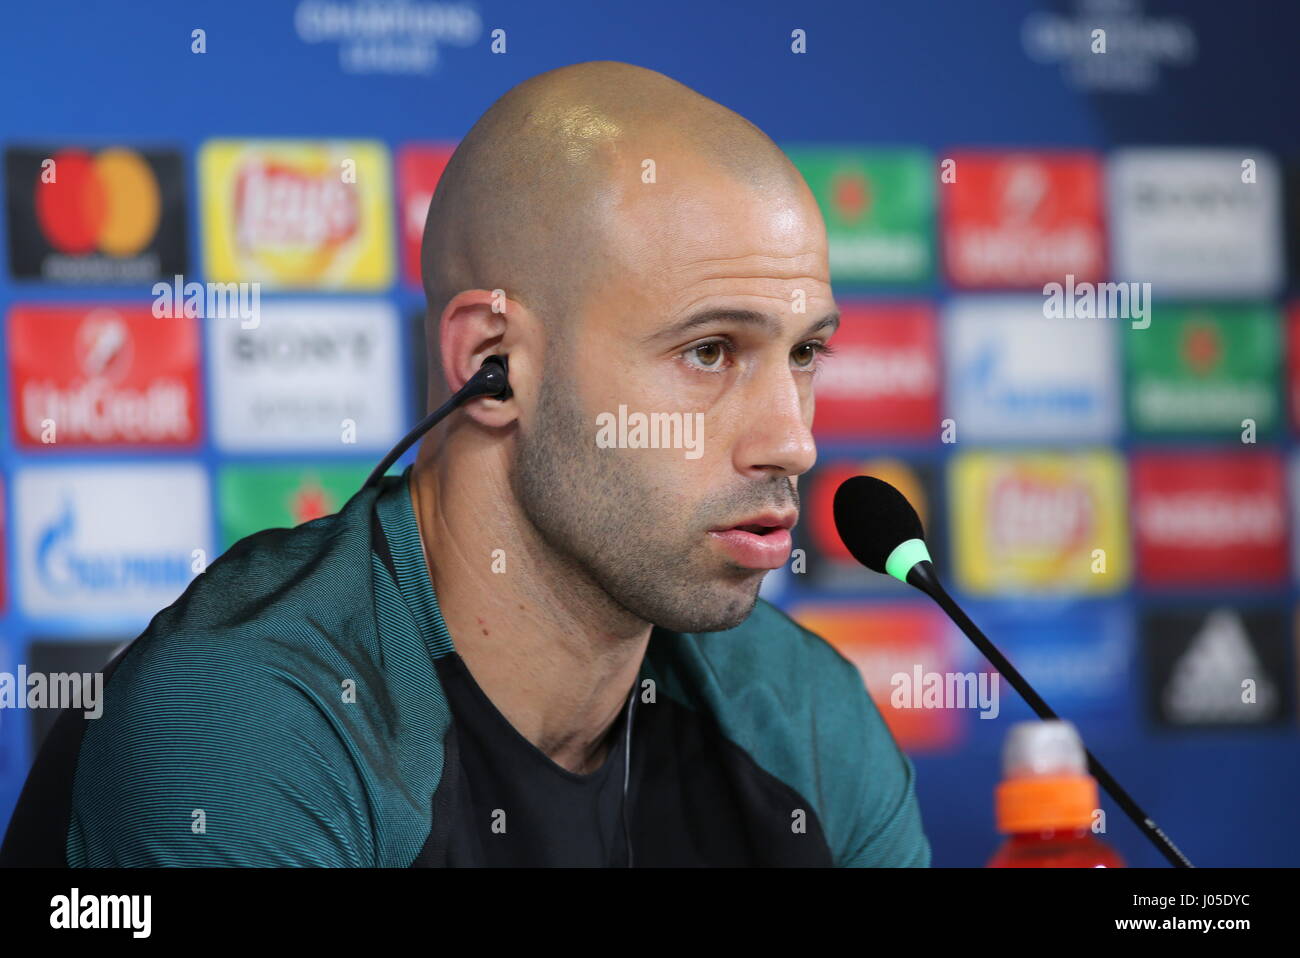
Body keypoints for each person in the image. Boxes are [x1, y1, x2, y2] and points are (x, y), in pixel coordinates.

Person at [0, 60, 930, 867]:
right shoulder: (248, 721)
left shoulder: (802, 716)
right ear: (493, 364)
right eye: (710, 352)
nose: (792, 441)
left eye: (806, 354)